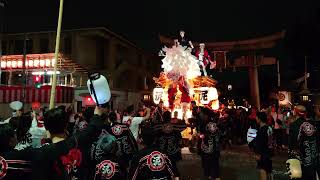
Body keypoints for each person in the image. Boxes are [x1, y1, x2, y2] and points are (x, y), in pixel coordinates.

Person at [32, 106, 109, 180]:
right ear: (66, 124)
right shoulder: (77, 141)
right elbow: (93, 127)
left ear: (46, 127)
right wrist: (96, 114)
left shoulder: (40, 153)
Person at [153, 111, 186, 179]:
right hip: (173, 151)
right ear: (170, 117)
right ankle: (175, 177)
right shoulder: (175, 126)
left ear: (163, 116)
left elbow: (152, 128)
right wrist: (181, 120)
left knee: (162, 165)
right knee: (173, 165)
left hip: (161, 150)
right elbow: (184, 126)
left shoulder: (159, 126)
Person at [296, 105, 320, 180]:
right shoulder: (316, 124)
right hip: (315, 157)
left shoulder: (299, 125)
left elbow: (298, 140)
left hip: (306, 158)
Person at [198, 108, 221, 180]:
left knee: (210, 163)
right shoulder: (206, 122)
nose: (200, 114)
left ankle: (212, 176)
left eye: (201, 113)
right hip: (210, 147)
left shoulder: (209, 123)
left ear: (206, 115)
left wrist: (202, 135)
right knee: (212, 163)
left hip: (209, 147)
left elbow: (213, 135)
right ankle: (213, 175)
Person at [254, 112, 273, 180]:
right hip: (269, 152)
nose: (256, 118)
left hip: (263, 153)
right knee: (269, 171)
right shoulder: (269, 128)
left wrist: (257, 154)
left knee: (262, 170)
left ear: (259, 119)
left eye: (256, 117)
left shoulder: (261, 130)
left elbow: (259, 143)